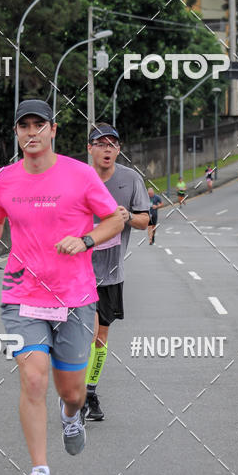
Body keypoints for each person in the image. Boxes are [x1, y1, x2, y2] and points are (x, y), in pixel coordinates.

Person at [0, 100, 123, 475]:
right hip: (22, 295)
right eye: (24, 126)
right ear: (16, 133)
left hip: (74, 298)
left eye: (39, 125)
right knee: (34, 378)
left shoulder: (80, 175)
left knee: (72, 392)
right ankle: (40, 473)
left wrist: (86, 240)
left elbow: (114, 219)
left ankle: (71, 416)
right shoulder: (2, 180)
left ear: (53, 130)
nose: (31, 132)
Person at [83, 125, 150, 421]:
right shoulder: (77, 179)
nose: (107, 148)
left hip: (111, 273)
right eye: (101, 143)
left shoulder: (130, 179)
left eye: (112, 144)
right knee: (88, 333)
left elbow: (145, 220)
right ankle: (76, 395)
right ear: (90, 148)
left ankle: (90, 392)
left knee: (100, 338)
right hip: (78, 272)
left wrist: (128, 216)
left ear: (119, 149)